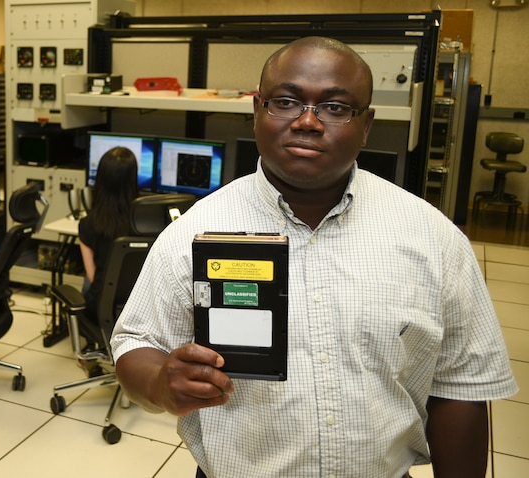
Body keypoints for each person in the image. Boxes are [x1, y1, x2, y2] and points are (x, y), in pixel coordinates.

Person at [110, 36, 517, 478]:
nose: (307, 121)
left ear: (367, 124)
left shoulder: (432, 237)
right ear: (256, 110)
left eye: (336, 107)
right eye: (285, 102)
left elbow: (460, 386)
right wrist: (159, 383)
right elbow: (136, 343)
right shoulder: (193, 232)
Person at [77, 146, 139, 349]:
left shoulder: (88, 225)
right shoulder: (146, 223)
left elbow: (94, 277)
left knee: (89, 283)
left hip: (102, 309)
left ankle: (91, 348)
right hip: (140, 310)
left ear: (100, 180)